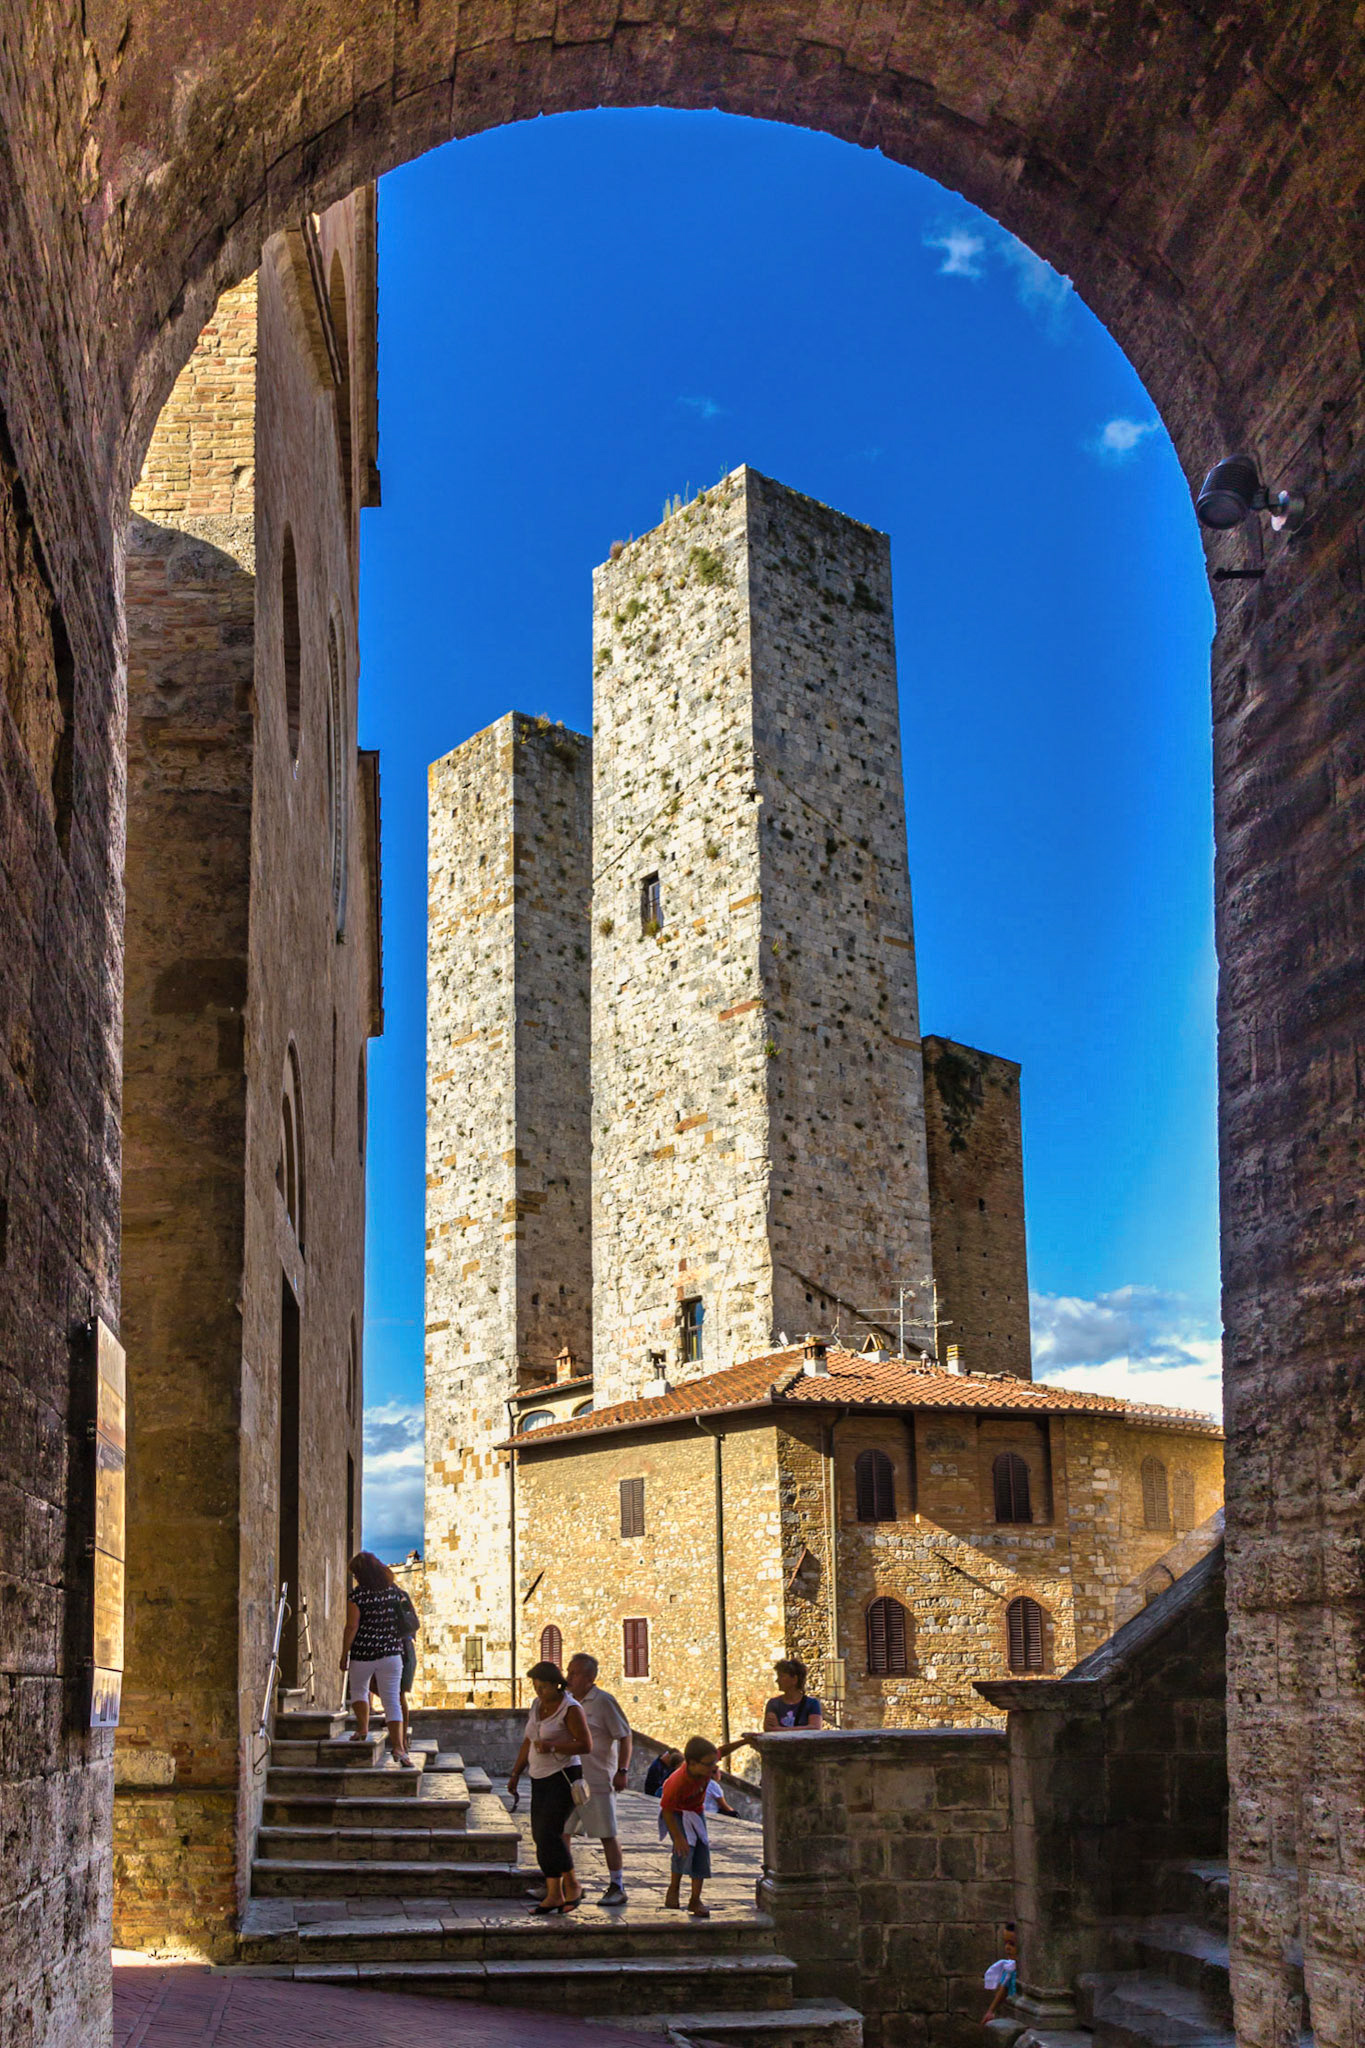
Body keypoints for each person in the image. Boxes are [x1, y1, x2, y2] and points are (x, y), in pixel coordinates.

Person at [506, 1660, 592, 1914]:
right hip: (539, 1776)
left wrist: (554, 1747)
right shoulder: (537, 1706)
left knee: (550, 1833)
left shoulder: (570, 1709)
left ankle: (572, 1885)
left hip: (563, 1776)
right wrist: (516, 1773)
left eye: (543, 1686)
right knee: (539, 1835)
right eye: (535, 1686)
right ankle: (554, 1893)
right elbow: (528, 1741)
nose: (539, 1691)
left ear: (556, 1685)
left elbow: (585, 1745)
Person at [562, 1651, 633, 1906]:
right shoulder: (567, 1701)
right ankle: (566, 1883)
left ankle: (617, 1885)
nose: (568, 1677)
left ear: (589, 1678)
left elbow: (625, 1735)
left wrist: (622, 1770)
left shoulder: (603, 1702)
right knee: (562, 1831)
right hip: (570, 1778)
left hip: (598, 1778)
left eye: (574, 1673)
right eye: (568, 1672)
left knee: (607, 1832)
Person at [659, 1733, 753, 1918]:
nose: (713, 1768)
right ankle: (674, 1888)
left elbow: (723, 1750)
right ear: (692, 1764)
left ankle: (695, 1899)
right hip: (677, 1813)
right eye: (709, 1764)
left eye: (714, 1764)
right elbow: (667, 1810)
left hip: (696, 1811)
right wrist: (678, 1837)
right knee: (683, 1851)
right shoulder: (677, 1783)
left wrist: (745, 1741)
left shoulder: (706, 1766)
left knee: (701, 1853)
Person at [340, 1552, 411, 1766]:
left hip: (363, 1652)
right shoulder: (394, 1592)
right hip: (391, 1653)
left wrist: (344, 1654)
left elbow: (352, 1626)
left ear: (360, 1574)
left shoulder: (357, 1596)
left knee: (359, 1690)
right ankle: (399, 1748)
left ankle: (362, 1729)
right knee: (392, 1700)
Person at [395, 1579, 421, 1757]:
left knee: (397, 1695)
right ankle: (401, 1738)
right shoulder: (401, 1595)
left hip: (400, 1649)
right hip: (404, 1648)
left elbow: (411, 1624)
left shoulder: (397, 1596)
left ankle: (402, 1739)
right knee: (397, 1695)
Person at [763, 1657, 823, 1730]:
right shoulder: (773, 1704)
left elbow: (815, 1728)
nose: (777, 1680)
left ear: (794, 1679)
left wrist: (779, 1728)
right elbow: (769, 1729)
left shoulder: (812, 1704)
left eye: (781, 1676)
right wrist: (804, 1728)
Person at [982, 1925, 1018, 2023]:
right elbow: (1003, 1988)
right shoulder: (1010, 1968)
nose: (1007, 1948)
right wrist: (990, 2011)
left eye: (1012, 1944)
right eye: (1006, 1943)